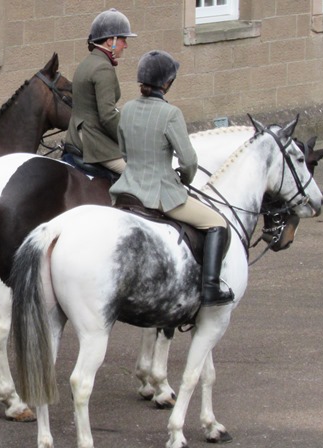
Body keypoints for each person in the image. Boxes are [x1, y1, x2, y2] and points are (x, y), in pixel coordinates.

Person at [109, 50, 234, 306]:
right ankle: (210, 287)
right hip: (160, 194)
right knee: (217, 222)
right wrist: (184, 178)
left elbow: (123, 151)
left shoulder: (127, 109)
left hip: (126, 191)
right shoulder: (171, 114)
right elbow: (188, 161)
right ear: (166, 84)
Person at [65, 8, 137, 175]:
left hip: (78, 134)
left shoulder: (88, 62)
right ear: (110, 41)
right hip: (93, 141)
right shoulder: (103, 68)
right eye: (123, 39)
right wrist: (129, 142)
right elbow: (108, 115)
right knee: (140, 173)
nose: (125, 45)